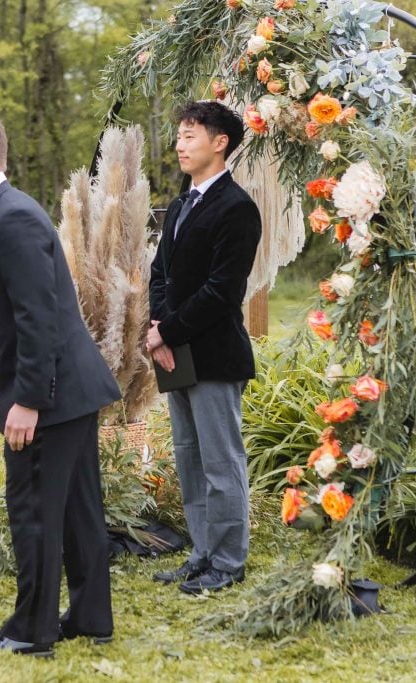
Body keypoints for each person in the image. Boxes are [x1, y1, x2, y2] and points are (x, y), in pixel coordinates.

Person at [0, 110, 120, 657]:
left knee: (33, 507)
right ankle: (90, 617)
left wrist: (28, 401)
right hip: (73, 389)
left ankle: (30, 631)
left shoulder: (11, 219)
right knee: (79, 508)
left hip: (51, 394)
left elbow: (39, 318)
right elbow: (1, 312)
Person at [146, 100, 262, 595]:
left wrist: (166, 332)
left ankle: (229, 562)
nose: (179, 144)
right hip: (174, 351)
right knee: (189, 459)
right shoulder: (178, 203)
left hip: (214, 354)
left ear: (221, 143)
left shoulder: (237, 208)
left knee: (221, 462)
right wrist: (158, 330)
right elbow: (160, 274)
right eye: (178, 135)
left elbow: (222, 291)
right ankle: (201, 553)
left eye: (190, 135)